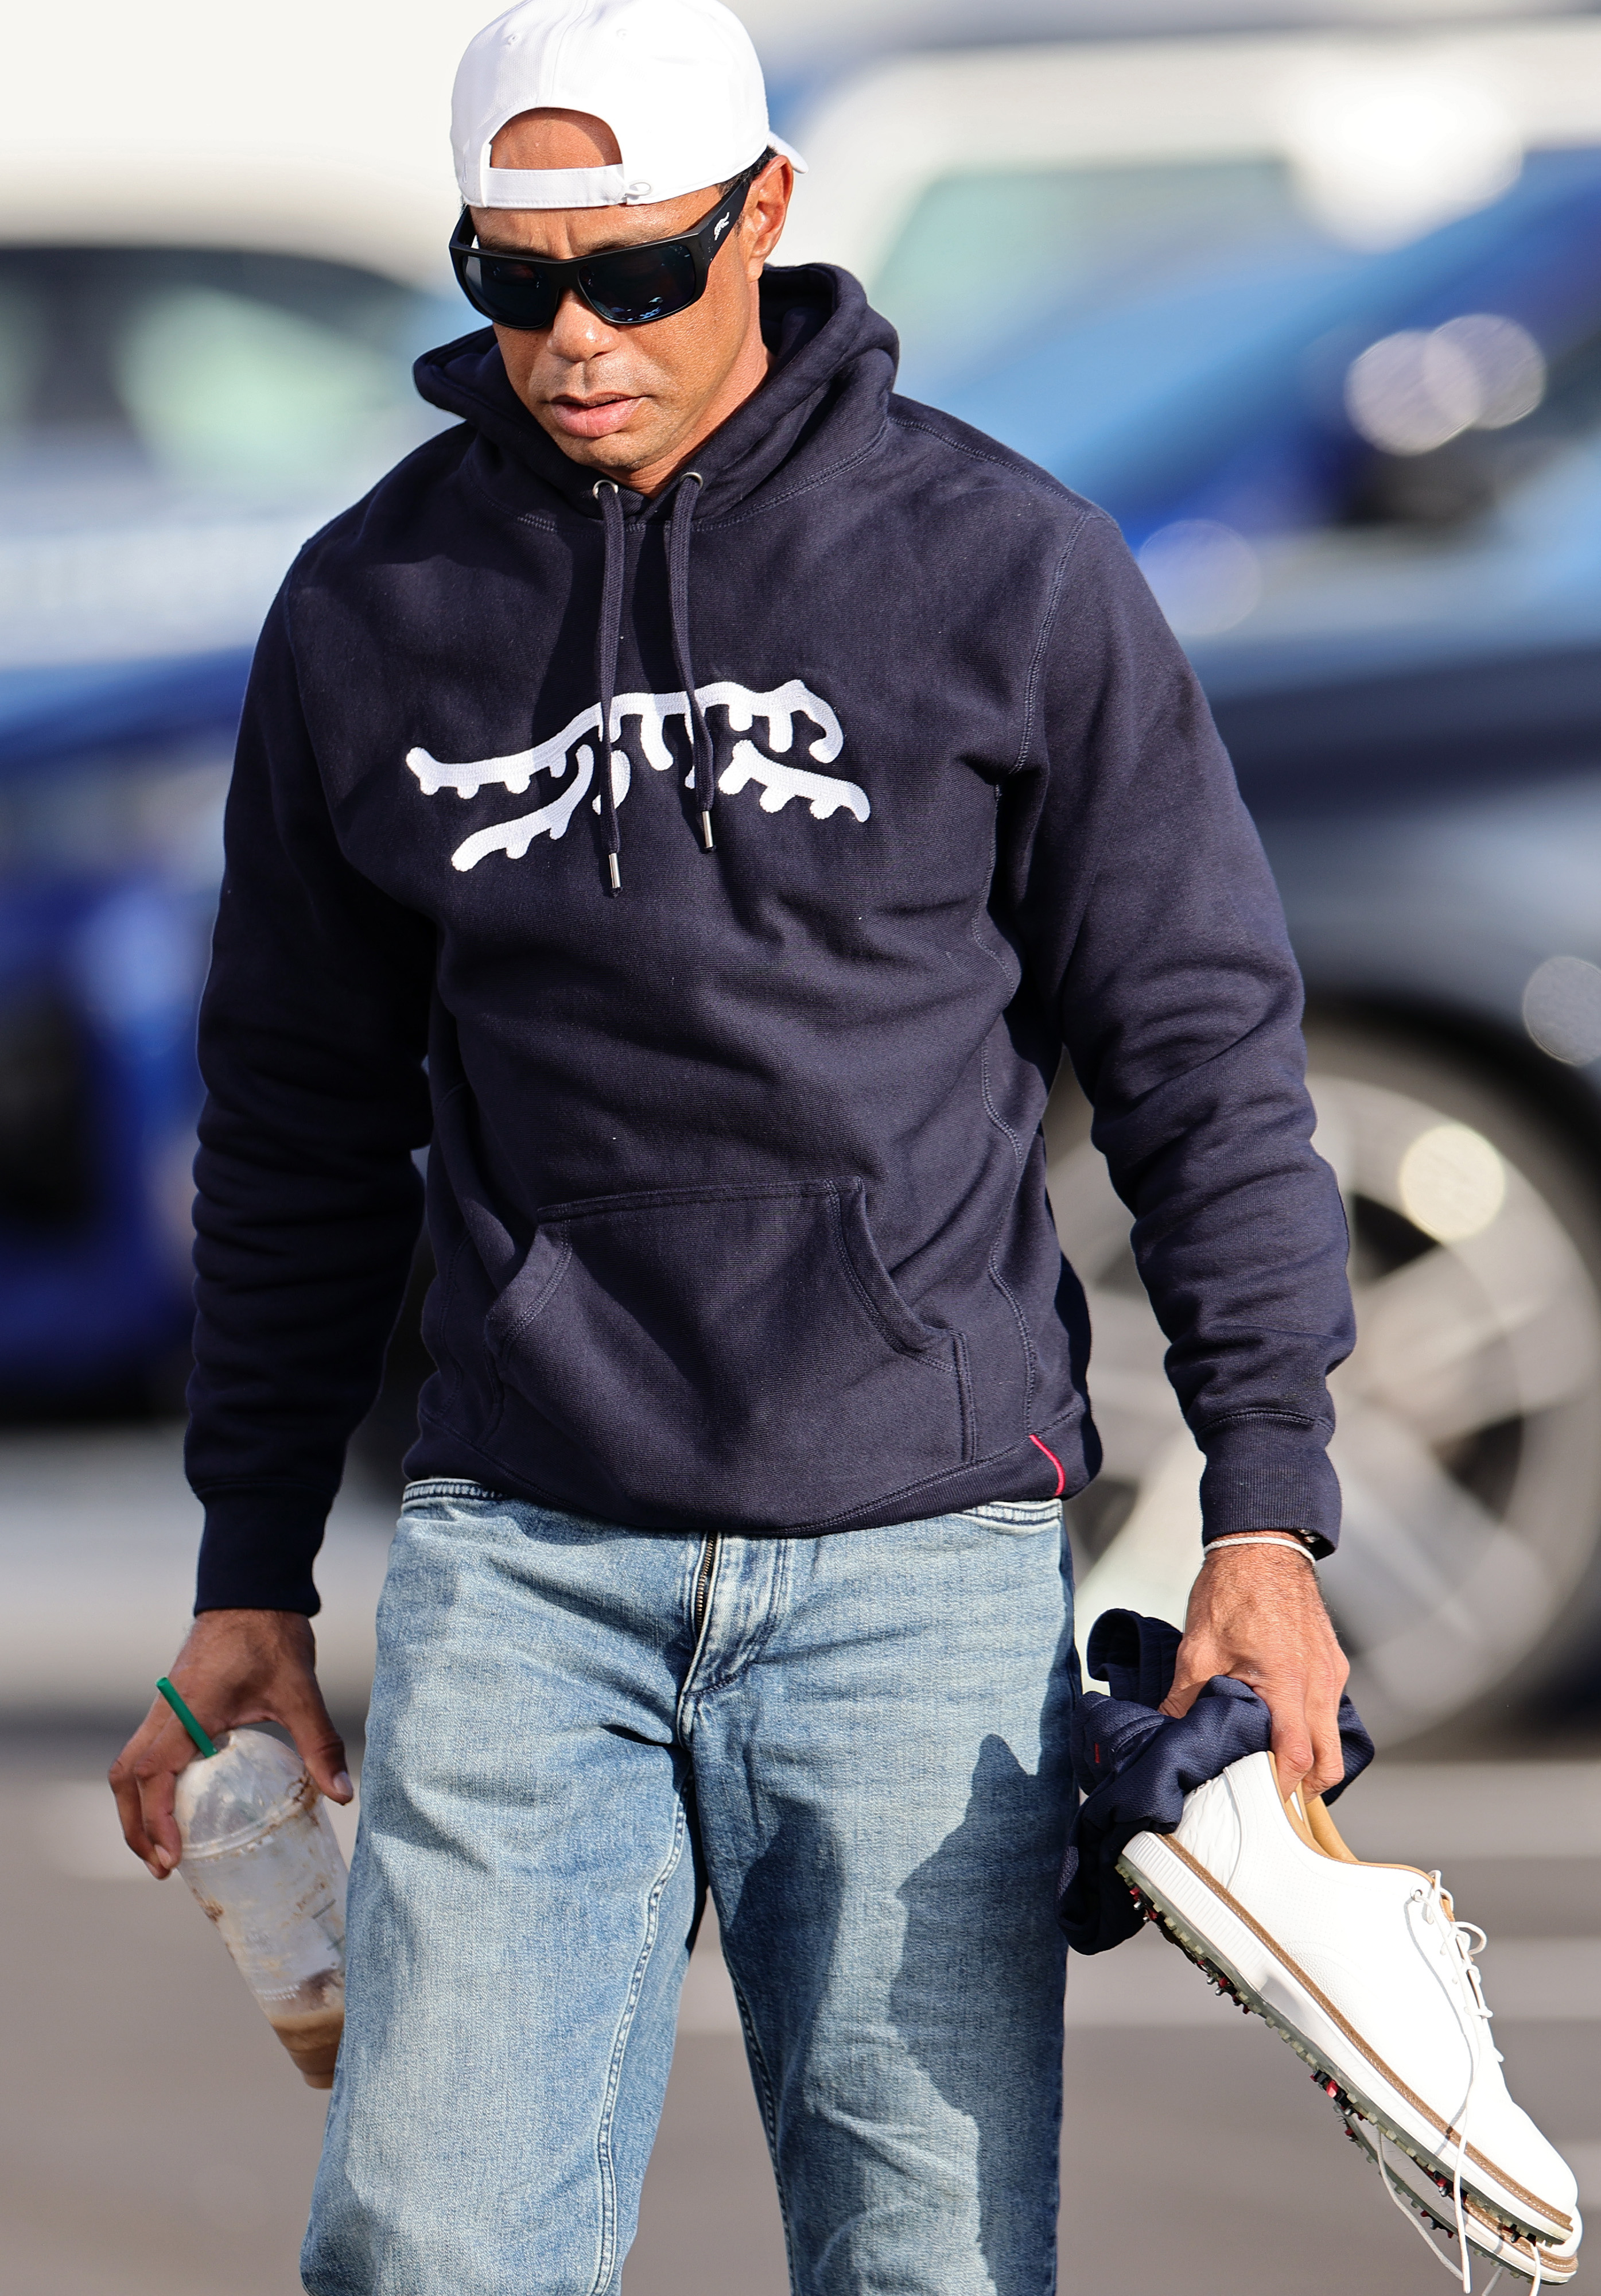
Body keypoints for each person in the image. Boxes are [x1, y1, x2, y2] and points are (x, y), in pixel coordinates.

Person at [110, 0, 1355, 2287]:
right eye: (511, 282)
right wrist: (249, 1577)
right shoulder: (375, 610)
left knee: (925, 2261)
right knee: (425, 2244)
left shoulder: (1004, 570)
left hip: (914, 1558)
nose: (569, 340)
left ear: (763, 218)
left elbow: (1196, 1051)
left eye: (633, 274)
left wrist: (1265, 1514)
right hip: (521, 1556)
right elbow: (293, 1125)